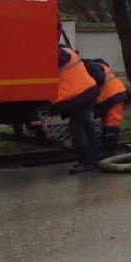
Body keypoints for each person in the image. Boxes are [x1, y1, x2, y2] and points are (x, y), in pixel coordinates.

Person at [52, 43, 100, 173]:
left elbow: (51, 59)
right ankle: (92, 160)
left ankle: (87, 162)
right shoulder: (67, 51)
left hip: (80, 96)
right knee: (87, 128)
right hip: (85, 93)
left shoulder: (59, 53)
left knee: (78, 129)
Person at [84, 58, 128, 157]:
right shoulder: (95, 65)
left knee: (112, 122)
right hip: (112, 94)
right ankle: (106, 150)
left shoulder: (91, 67)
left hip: (113, 94)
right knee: (108, 122)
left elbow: (99, 79)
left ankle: (109, 151)